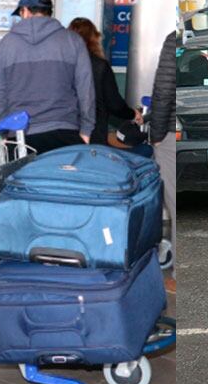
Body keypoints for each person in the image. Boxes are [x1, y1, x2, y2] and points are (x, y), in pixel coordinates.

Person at [0, 0, 95, 154]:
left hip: (19, 135)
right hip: (64, 132)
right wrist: (86, 130)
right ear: (49, 12)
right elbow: (86, 90)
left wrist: (5, 130)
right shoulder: (73, 40)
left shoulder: (7, 43)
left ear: (24, 11)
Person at [68, 17, 143, 145]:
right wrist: (132, 114)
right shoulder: (100, 66)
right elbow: (114, 104)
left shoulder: (63, 64)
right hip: (94, 134)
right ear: (93, 39)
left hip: (65, 132)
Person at [149, 31, 177, 276]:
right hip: (172, 129)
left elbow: (164, 90)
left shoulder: (173, 39)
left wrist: (156, 134)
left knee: (173, 202)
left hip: (170, 131)